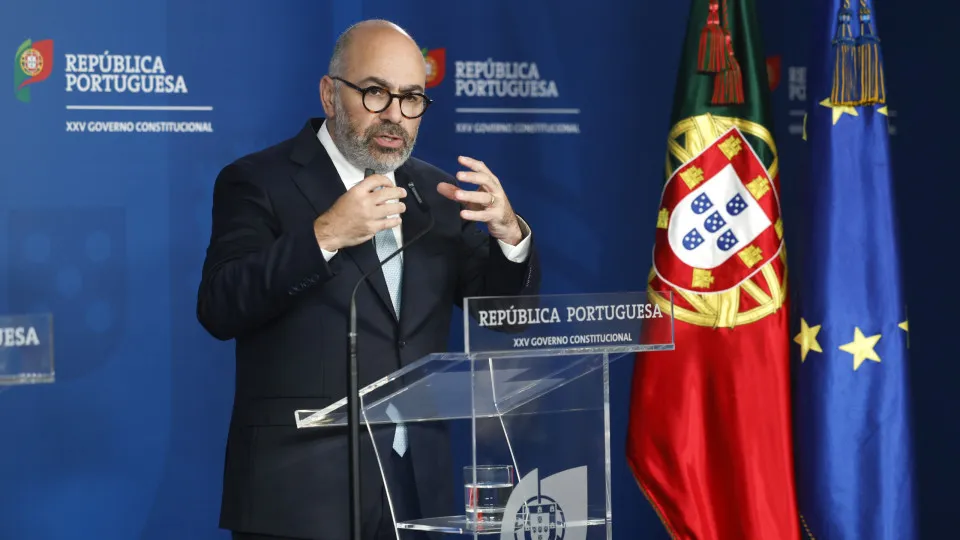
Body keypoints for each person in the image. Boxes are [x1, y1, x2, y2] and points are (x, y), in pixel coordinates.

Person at [196, 19, 541, 540]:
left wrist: (510, 234)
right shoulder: (258, 181)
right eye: (376, 92)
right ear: (329, 94)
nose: (395, 115)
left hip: (417, 492)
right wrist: (325, 235)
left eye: (412, 98)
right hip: (301, 498)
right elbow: (220, 307)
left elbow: (506, 317)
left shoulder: (436, 194)